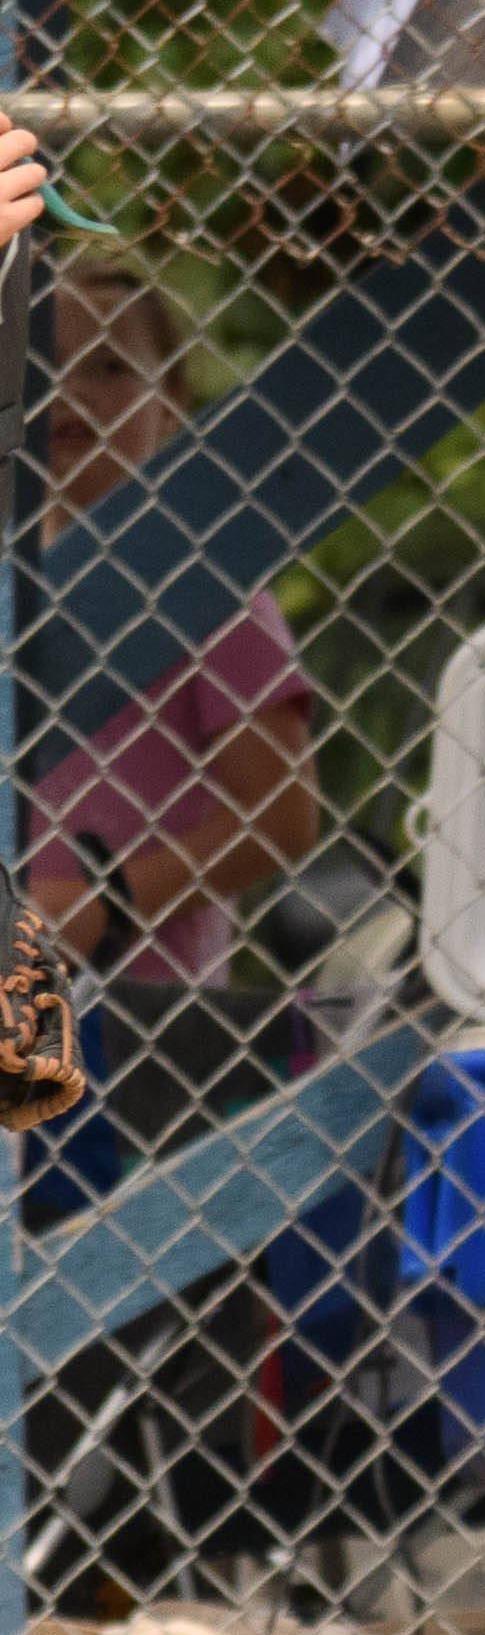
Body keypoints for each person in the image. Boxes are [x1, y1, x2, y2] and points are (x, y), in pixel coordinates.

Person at [22, 262, 323, 1089]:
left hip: (140, 1016)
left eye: (112, 368)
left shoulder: (209, 586)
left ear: (172, 395)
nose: (72, 393)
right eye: (39, 367)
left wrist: (102, 902)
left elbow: (281, 814)